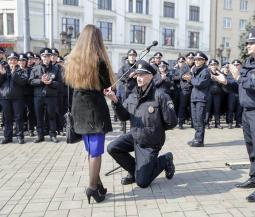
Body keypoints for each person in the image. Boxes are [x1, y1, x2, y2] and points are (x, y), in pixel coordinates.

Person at [214, 28, 255, 202]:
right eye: (248, 43)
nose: (248, 46)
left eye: (252, 43)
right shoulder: (249, 62)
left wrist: (238, 77)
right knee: (251, 147)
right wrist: (226, 82)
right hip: (248, 111)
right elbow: (240, 87)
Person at [64, 24, 115, 203]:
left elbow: (69, 86)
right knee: (96, 152)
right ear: (96, 40)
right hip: (94, 110)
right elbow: (106, 85)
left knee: (90, 150)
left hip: (79, 109)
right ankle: (92, 188)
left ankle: (98, 185)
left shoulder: (72, 60)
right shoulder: (98, 61)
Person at [106, 60, 177, 188]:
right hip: (135, 136)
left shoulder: (160, 96)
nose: (139, 78)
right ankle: (135, 172)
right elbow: (123, 117)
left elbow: (171, 122)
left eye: (142, 75)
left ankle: (165, 159)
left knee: (142, 183)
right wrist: (115, 101)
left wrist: (155, 129)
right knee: (113, 148)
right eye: (137, 75)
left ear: (150, 76)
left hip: (150, 142)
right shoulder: (133, 96)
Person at [29, 48, 62, 143]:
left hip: (51, 96)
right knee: (39, 116)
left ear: (51, 57)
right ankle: (40, 135)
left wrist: (51, 83)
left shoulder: (56, 69)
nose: (46, 58)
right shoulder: (35, 68)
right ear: (41, 57)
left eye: (48, 56)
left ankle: (53, 135)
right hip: (38, 96)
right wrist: (41, 81)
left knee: (51, 116)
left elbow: (59, 83)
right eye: (44, 56)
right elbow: (30, 81)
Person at [0, 52, 28, 144]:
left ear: (17, 61)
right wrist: (2, 75)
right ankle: (8, 137)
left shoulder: (21, 70)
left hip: (18, 98)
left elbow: (23, 82)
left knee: (18, 117)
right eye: (10, 60)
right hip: (5, 98)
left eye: (14, 60)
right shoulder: (3, 70)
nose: (12, 62)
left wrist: (13, 73)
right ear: (8, 61)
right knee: (7, 118)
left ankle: (20, 136)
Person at [187, 51, 211, 147]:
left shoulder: (205, 71)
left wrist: (191, 79)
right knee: (195, 119)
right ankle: (196, 137)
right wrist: (190, 78)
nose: (196, 61)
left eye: (199, 60)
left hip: (201, 98)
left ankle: (199, 140)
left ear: (204, 61)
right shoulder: (196, 70)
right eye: (195, 60)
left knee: (200, 119)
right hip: (195, 97)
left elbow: (199, 83)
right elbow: (193, 83)